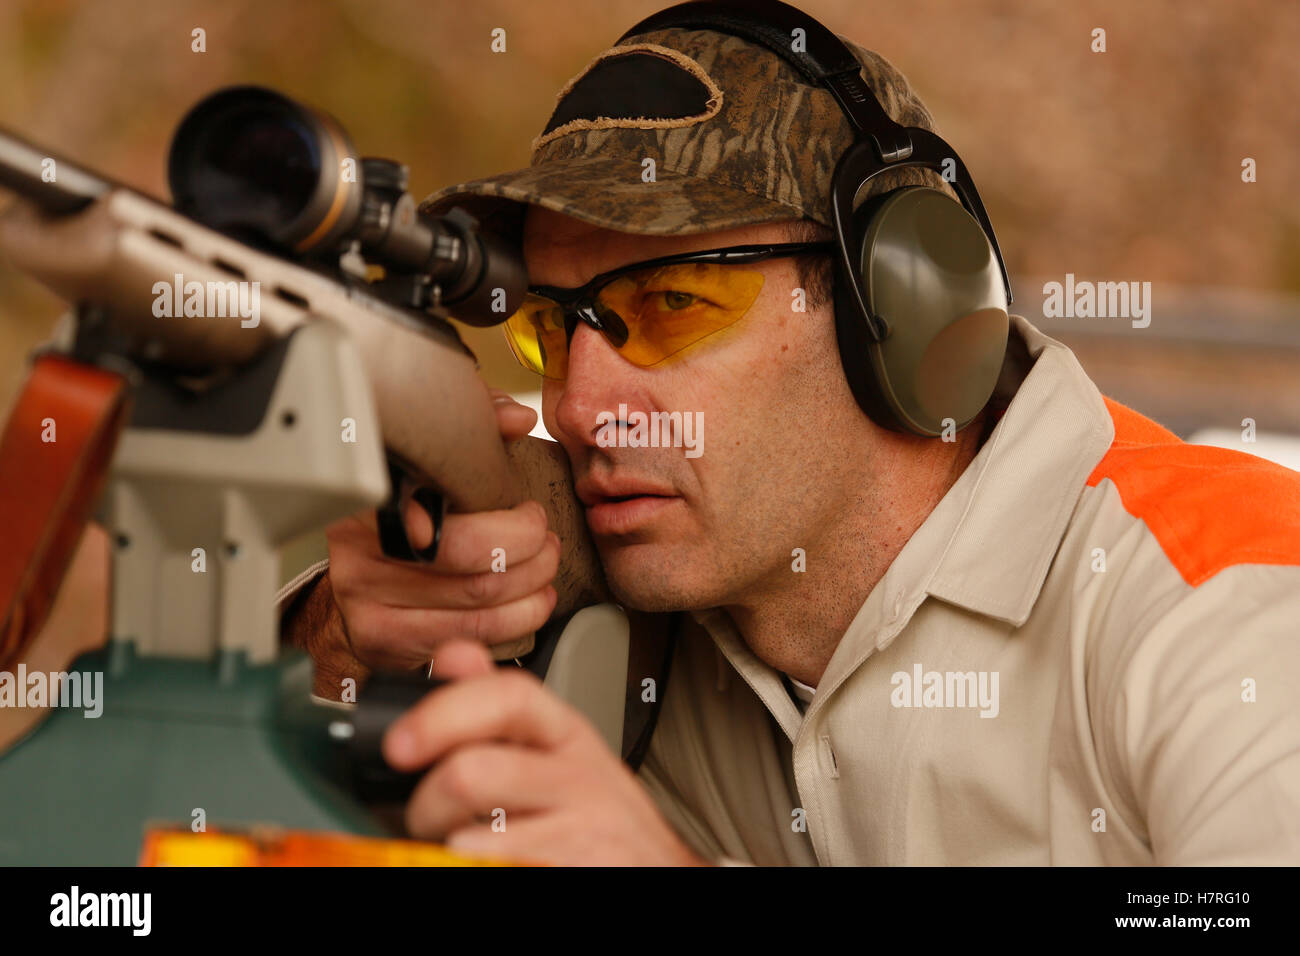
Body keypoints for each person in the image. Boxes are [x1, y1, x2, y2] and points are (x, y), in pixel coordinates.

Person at [279, 2, 1300, 865]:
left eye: (672, 303)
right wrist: (342, 638)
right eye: (555, 329)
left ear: (899, 304)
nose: (584, 407)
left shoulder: (1226, 599)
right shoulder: (637, 593)